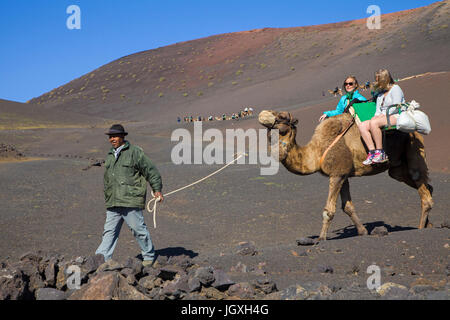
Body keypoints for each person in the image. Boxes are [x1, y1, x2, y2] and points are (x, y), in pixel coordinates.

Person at [95, 124, 164, 266]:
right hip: (113, 201)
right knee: (109, 232)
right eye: (110, 136)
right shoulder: (110, 155)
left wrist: (157, 190)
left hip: (130, 200)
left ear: (122, 136)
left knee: (138, 230)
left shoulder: (135, 152)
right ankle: (100, 259)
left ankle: (149, 257)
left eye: (114, 136)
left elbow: (150, 170)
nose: (111, 139)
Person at [359, 69, 405, 165]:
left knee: (374, 123)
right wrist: (376, 117)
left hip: (396, 115)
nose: (376, 82)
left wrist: (382, 116)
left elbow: (396, 106)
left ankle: (380, 152)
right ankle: (372, 152)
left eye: (378, 80)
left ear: (384, 79)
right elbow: (378, 110)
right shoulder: (380, 94)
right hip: (383, 117)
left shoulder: (396, 89)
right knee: (362, 125)